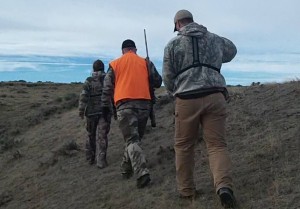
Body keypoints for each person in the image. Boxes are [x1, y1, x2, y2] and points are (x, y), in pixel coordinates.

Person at [162, 9, 237, 208]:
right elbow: (232, 50)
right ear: (192, 21)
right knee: (217, 145)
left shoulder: (173, 44)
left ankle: (187, 191)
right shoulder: (214, 39)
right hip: (215, 96)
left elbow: (167, 78)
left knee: (184, 146)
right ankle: (223, 187)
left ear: (178, 25)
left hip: (187, 99)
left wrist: (175, 92)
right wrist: (212, 44)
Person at [101, 39, 162, 188]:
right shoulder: (145, 62)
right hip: (144, 105)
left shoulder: (115, 64)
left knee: (131, 140)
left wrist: (104, 105)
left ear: (123, 51)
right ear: (135, 49)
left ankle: (142, 174)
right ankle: (125, 169)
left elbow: (107, 87)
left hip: (124, 104)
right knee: (134, 139)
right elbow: (158, 82)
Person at [78, 59, 113, 169]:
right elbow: (112, 95)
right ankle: (101, 161)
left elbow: (83, 97)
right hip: (105, 111)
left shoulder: (88, 80)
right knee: (102, 137)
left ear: (93, 68)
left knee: (90, 135)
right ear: (103, 68)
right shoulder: (108, 79)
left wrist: (81, 111)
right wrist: (115, 111)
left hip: (91, 113)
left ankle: (90, 158)